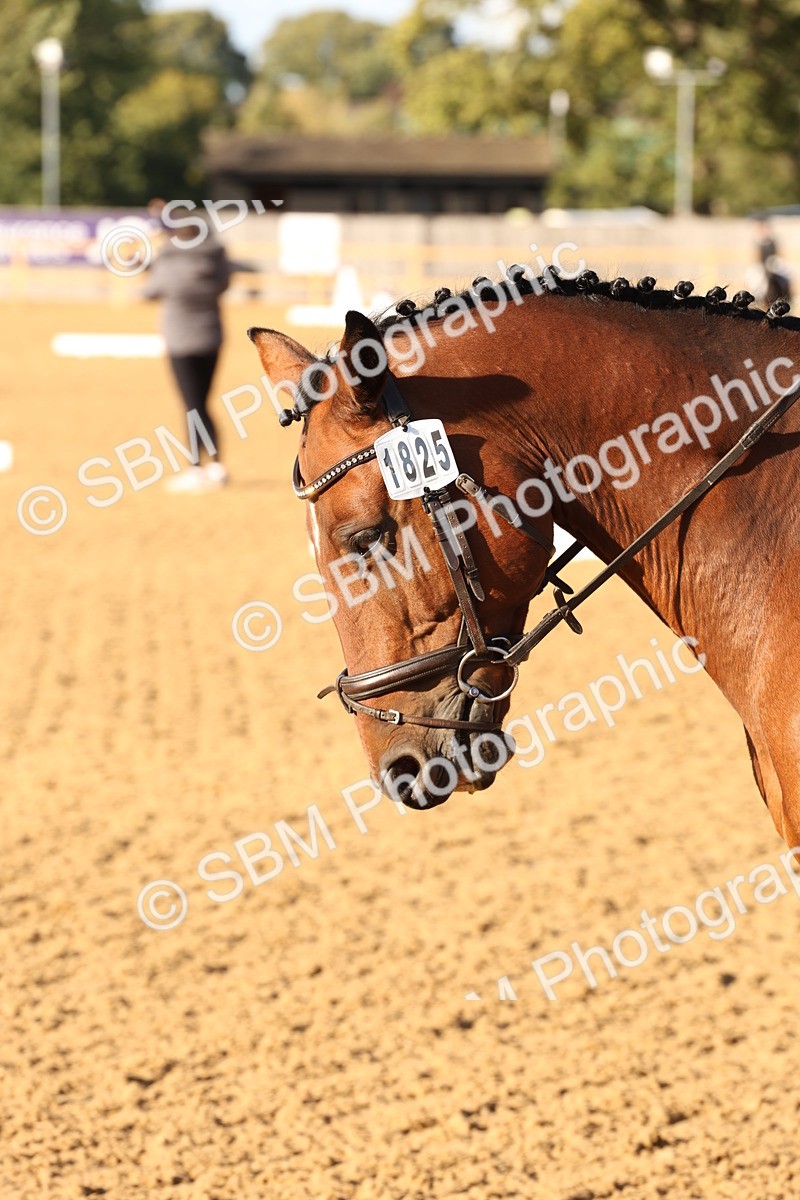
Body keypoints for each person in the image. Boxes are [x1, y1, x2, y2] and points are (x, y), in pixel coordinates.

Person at [144, 204, 231, 493]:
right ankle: (216, 465)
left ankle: (195, 467)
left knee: (192, 404)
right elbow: (223, 284)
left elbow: (150, 291)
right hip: (212, 337)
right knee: (203, 402)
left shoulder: (169, 260)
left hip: (180, 340)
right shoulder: (214, 257)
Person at [746, 217, 793, 309]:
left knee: (787, 272)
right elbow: (757, 255)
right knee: (753, 276)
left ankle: (787, 293)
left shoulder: (773, 240)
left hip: (772, 261)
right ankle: (756, 295)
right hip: (762, 263)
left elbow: (778, 252)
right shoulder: (758, 240)